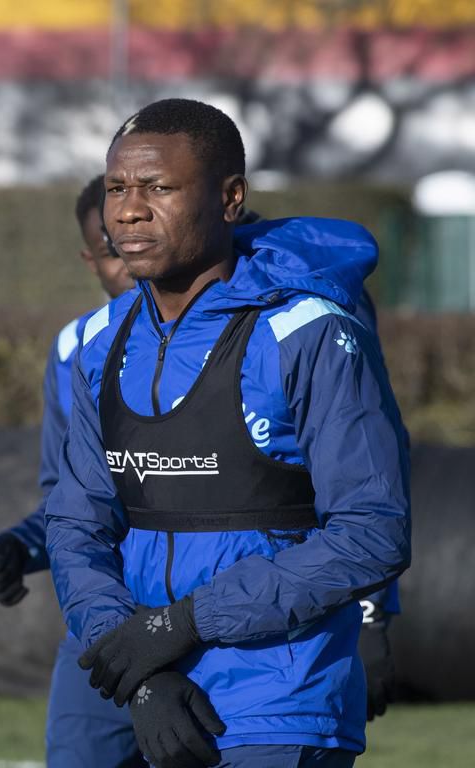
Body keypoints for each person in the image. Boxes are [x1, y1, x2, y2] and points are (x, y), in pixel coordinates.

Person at [45, 98, 410, 768]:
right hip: (154, 695)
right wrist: (143, 668)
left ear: (230, 198)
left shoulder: (308, 333)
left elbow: (371, 532)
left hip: (279, 701)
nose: (128, 210)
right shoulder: (99, 344)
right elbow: (75, 525)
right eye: (117, 189)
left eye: (159, 188)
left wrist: (181, 625)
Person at [0, 175, 141, 767]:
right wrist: (23, 545)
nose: (127, 259)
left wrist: (375, 620)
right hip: (105, 618)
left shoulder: (259, 327)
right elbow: (70, 496)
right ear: (90, 258)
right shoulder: (76, 347)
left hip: (215, 619)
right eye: (110, 249)